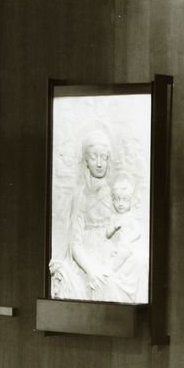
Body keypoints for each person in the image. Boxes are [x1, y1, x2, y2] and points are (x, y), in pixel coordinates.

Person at [49, 127, 115, 299]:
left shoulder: (115, 195)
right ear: (86, 160)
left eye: (103, 157)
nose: (99, 163)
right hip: (88, 258)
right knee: (101, 286)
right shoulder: (81, 197)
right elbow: (75, 244)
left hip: (111, 255)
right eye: (93, 157)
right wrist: (91, 270)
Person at [93, 173, 148, 303]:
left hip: (127, 246)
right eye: (117, 200)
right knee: (117, 251)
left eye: (124, 200)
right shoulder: (114, 217)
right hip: (116, 248)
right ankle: (111, 268)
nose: (120, 204)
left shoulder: (131, 217)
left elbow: (138, 231)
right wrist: (113, 227)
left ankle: (112, 268)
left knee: (127, 250)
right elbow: (107, 234)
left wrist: (130, 238)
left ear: (130, 201)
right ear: (113, 201)